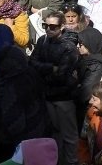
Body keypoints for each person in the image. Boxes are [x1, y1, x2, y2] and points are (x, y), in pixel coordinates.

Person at [29, 11, 80, 165]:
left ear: (62, 27)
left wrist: (43, 72)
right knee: (54, 134)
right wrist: (51, 68)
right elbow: (32, 62)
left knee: (69, 136)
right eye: (46, 26)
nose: (48, 29)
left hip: (64, 97)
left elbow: (62, 75)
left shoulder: (68, 47)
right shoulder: (43, 40)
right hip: (47, 95)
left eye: (53, 27)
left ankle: (72, 162)